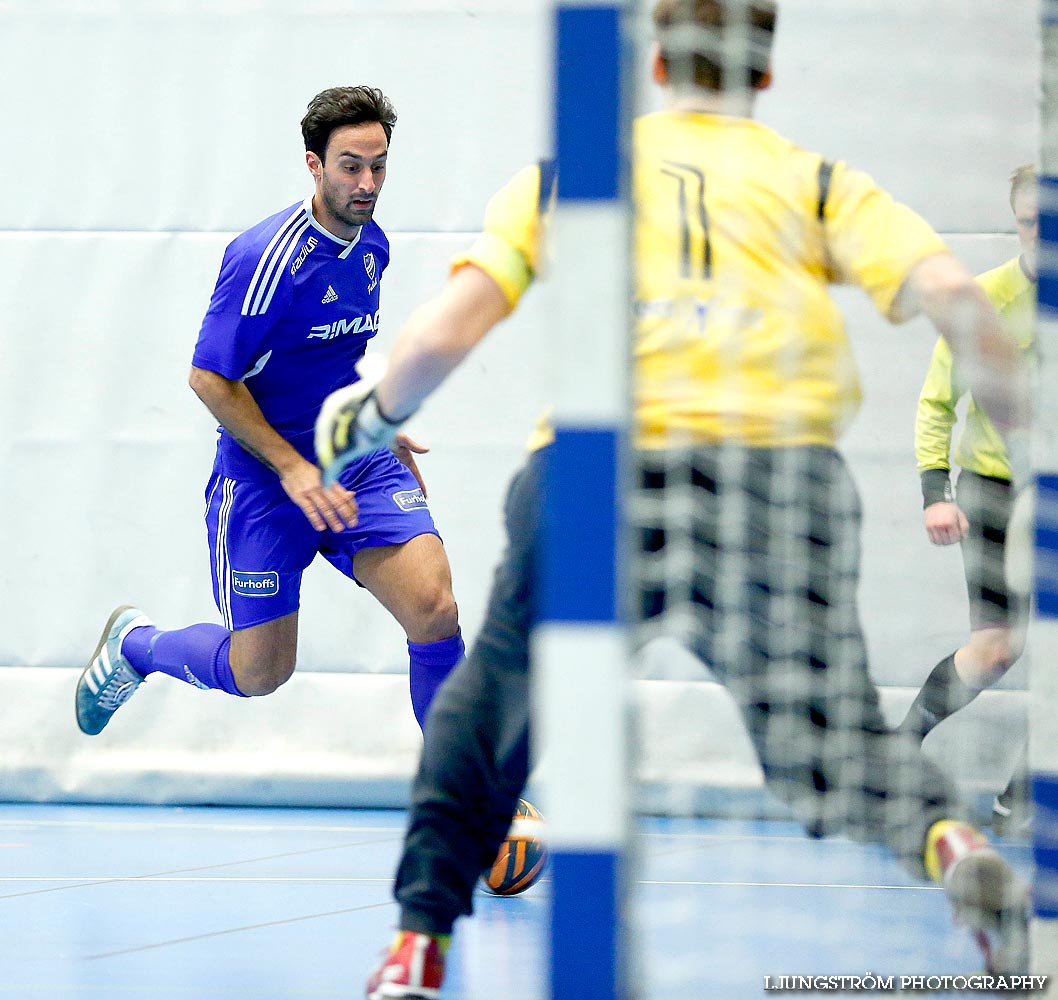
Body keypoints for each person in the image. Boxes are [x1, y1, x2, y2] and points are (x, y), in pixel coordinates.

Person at [318, 5, 1033, 993]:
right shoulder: (814, 179)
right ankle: (948, 843)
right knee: (826, 742)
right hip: (775, 481)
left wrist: (368, 410)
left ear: (653, 60)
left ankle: (417, 944)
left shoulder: (576, 174)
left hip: (598, 477)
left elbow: (452, 328)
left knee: (488, 713)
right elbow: (962, 306)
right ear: (764, 74)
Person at [75, 86, 465, 738]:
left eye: (379, 164)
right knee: (260, 672)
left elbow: (333, 358)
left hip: (353, 462)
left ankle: (469, 808)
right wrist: (289, 466)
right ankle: (137, 646)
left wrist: (378, 422)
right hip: (264, 476)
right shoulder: (265, 259)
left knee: (434, 610)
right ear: (314, 164)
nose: (367, 182)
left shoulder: (373, 247)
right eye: (350, 165)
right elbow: (209, 379)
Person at [898, 165, 1038, 838]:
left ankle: (1023, 794)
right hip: (994, 492)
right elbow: (936, 403)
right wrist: (935, 492)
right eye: (1030, 220)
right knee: (994, 650)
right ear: (1016, 223)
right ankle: (897, 754)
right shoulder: (985, 300)